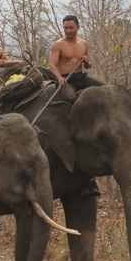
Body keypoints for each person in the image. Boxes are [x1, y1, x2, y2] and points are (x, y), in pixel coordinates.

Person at [49, 15, 105, 197]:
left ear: (78, 27)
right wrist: (59, 77)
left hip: (80, 77)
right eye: (65, 27)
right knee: (71, 100)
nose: (68, 30)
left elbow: (88, 65)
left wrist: (87, 62)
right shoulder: (59, 44)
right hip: (66, 79)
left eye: (71, 27)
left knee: (107, 90)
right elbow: (52, 64)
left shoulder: (83, 43)